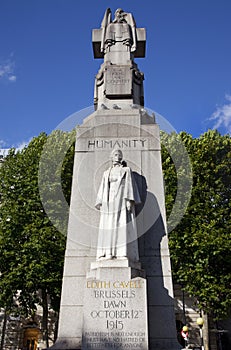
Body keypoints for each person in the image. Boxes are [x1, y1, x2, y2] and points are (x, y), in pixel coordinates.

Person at [95, 149, 141, 261]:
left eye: (119, 155)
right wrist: (101, 202)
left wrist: (130, 200)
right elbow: (103, 187)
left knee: (122, 225)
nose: (117, 157)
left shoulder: (126, 170)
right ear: (111, 157)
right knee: (109, 226)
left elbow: (130, 185)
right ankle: (108, 253)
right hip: (109, 201)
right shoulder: (106, 173)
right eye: (115, 155)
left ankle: (121, 253)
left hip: (121, 200)